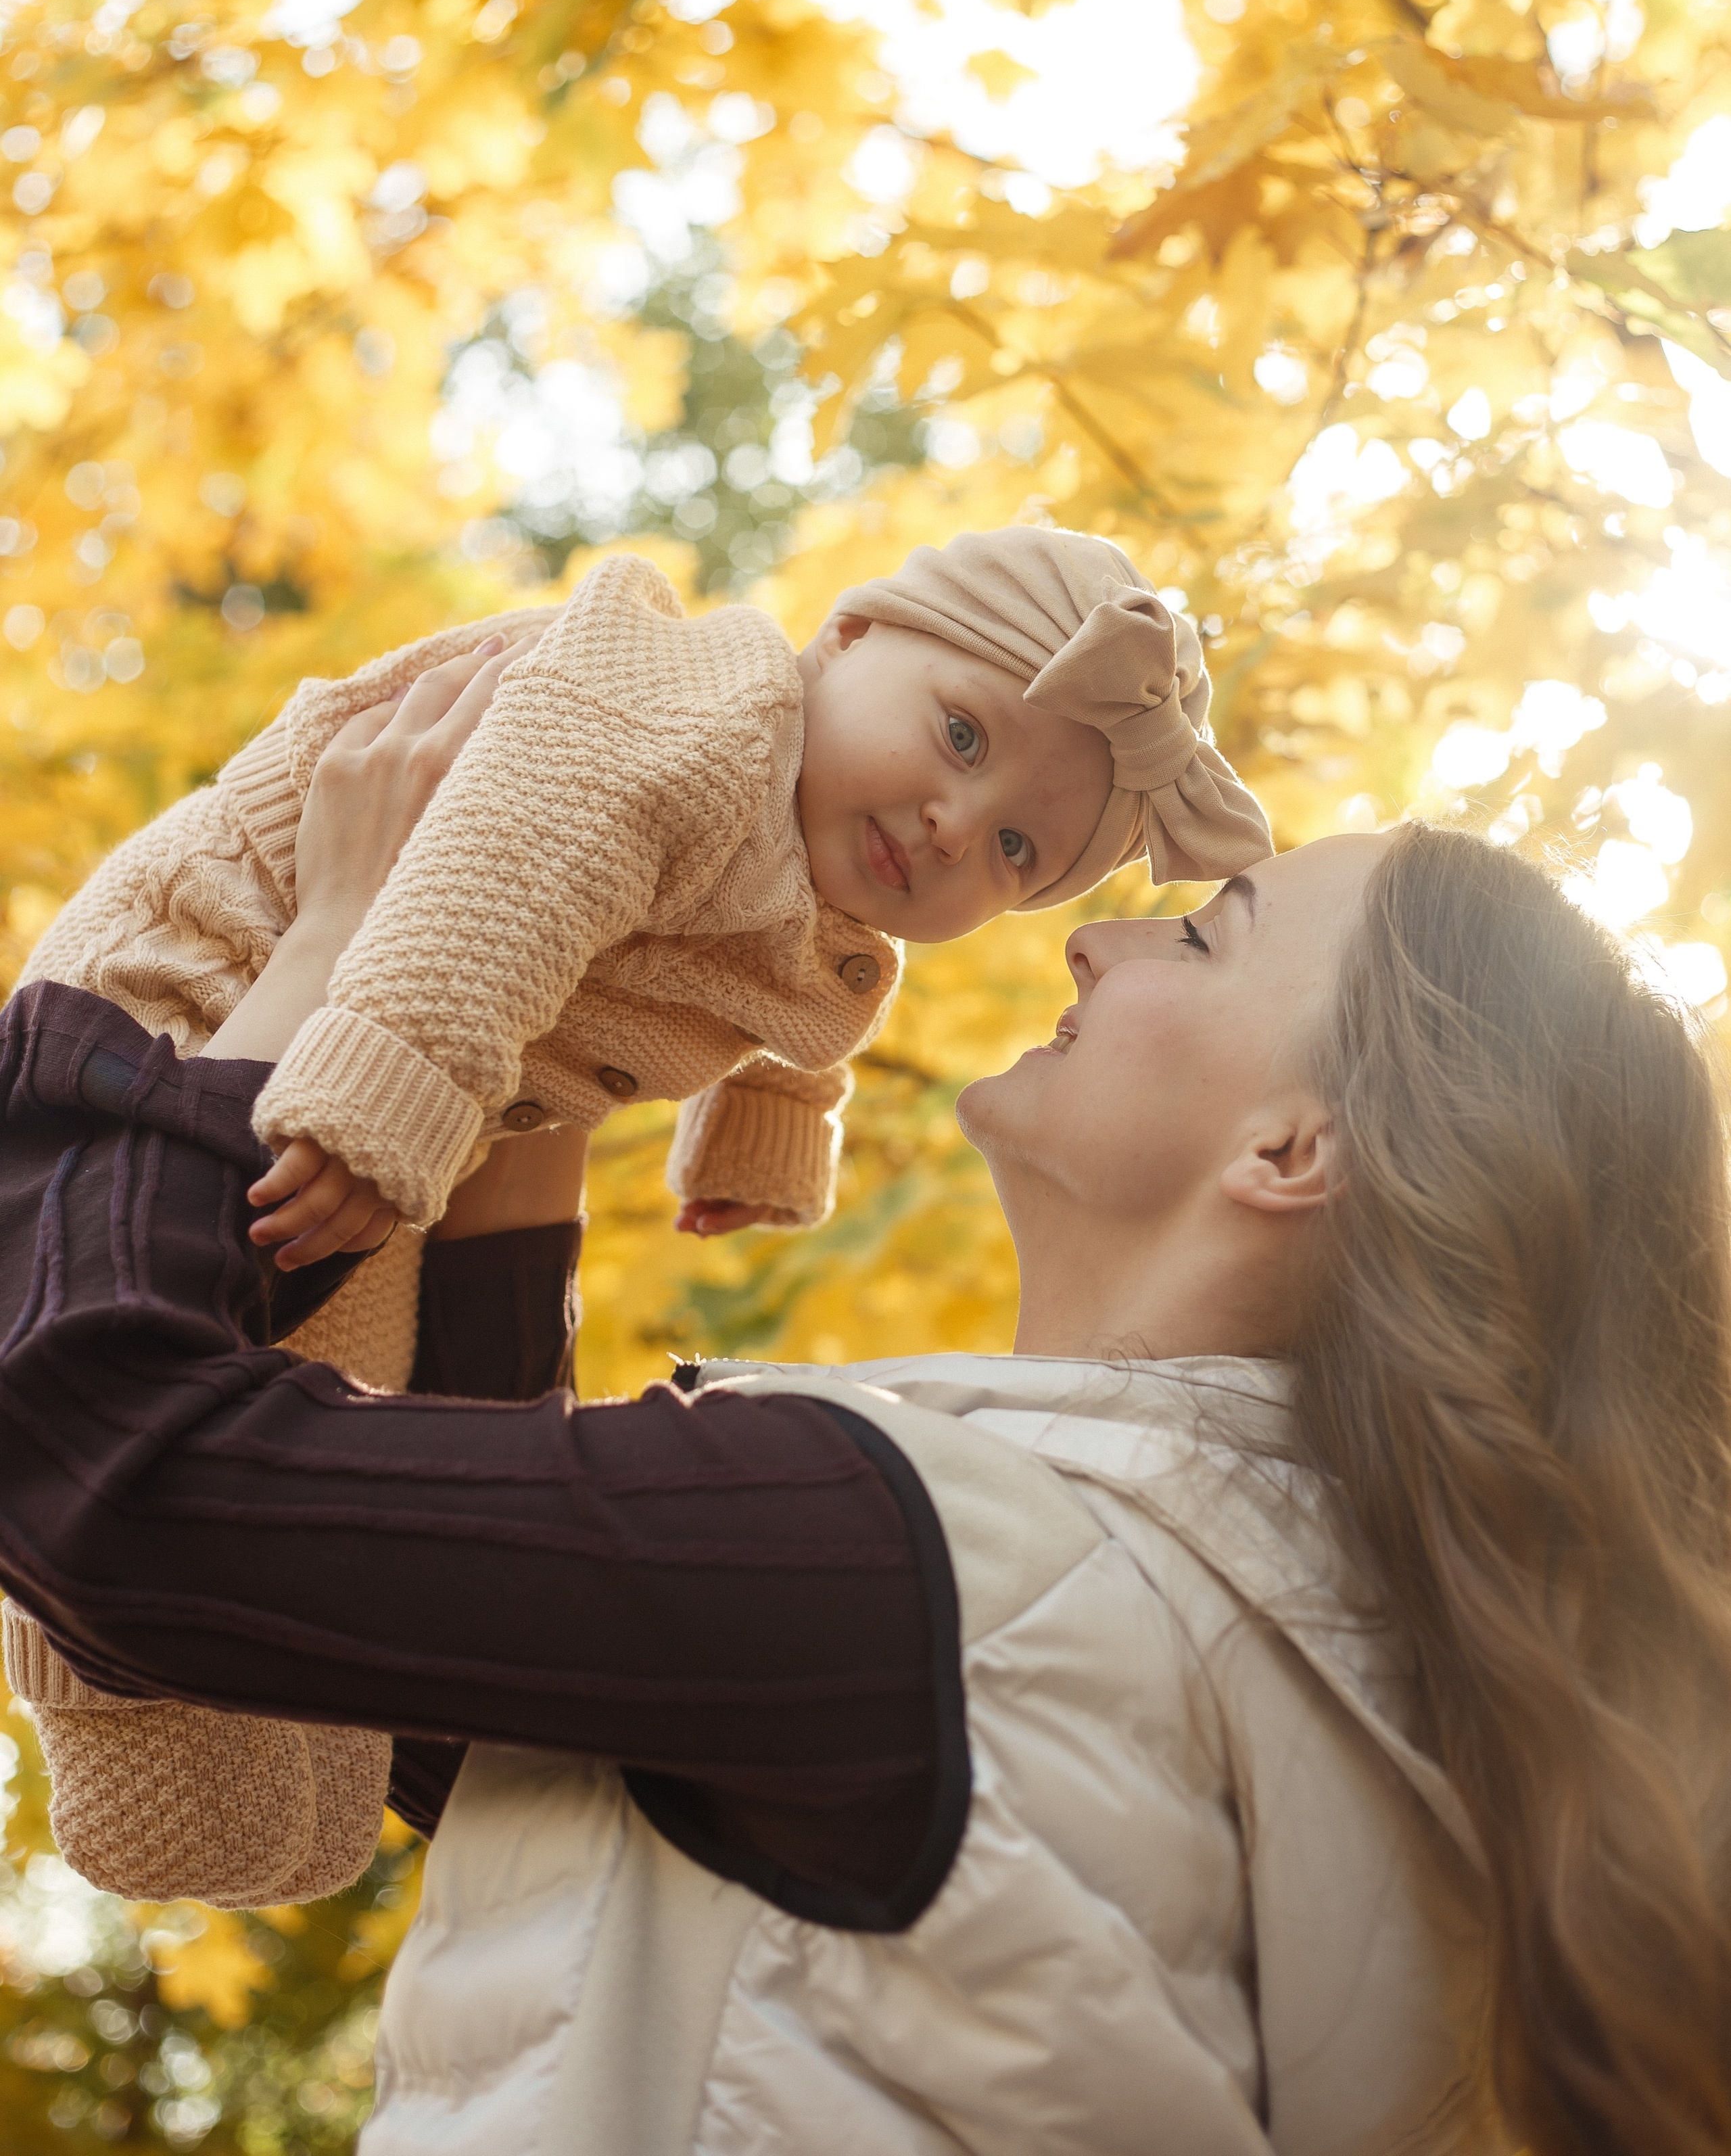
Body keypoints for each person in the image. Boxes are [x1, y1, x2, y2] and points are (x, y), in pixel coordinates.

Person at [2, 674, 1728, 2155]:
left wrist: (291, 967)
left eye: (1202, 935)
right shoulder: (1306, 1647)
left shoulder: (954, 1572)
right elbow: (542, 1746)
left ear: (1292, 1154)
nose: (1097, 933)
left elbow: (107, 1479)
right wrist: (529, 1050)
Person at [2, 525, 1273, 1906]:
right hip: (220, 981)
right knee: (217, 1461)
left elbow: (810, 1003)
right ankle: (105, 1688)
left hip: (390, 1075)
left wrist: (764, 1134)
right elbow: (506, 870)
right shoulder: (693, 720)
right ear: (843, 636)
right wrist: (395, 1089)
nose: (951, 827)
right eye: (960, 737)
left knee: (321, 1578)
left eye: (1015, 848)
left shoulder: (819, 875)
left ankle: (191, 1704)